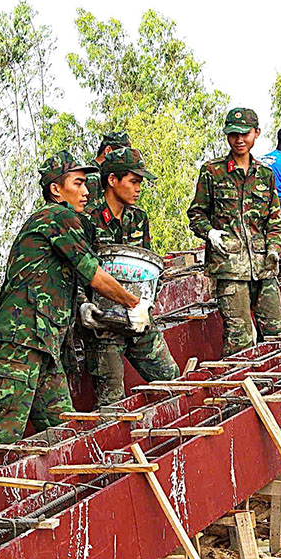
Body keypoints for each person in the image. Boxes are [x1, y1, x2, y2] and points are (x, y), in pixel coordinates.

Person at [0, 151, 149, 458]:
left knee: (61, 426)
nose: (87, 191)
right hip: (21, 339)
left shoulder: (56, 221)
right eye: (78, 183)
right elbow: (93, 273)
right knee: (4, 428)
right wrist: (134, 303)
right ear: (56, 189)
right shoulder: (58, 217)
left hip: (45, 343)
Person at [79, 147, 180, 406]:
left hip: (136, 318)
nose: (138, 189)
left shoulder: (138, 218)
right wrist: (82, 304)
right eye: (133, 182)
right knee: (111, 402)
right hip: (103, 326)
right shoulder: (87, 221)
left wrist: (147, 304)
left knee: (171, 377)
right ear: (112, 180)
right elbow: (77, 270)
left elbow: (148, 267)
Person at [187, 108, 281, 355]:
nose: (239, 140)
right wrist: (210, 232)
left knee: (278, 334)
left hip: (264, 266)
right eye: (233, 134)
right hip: (230, 269)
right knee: (239, 341)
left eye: (245, 134)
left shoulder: (265, 174)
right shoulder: (213, 172)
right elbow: (196, 214)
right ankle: (237, 390)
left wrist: (274, 250)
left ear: (256, 133)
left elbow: (275, 221)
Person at [87, 131, 132, 202]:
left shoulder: (103, 175)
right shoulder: (92, 177)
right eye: (122, 155)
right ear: (108, 151)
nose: (124, 160)